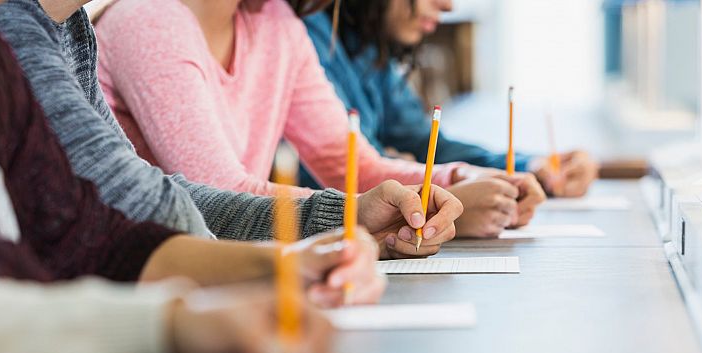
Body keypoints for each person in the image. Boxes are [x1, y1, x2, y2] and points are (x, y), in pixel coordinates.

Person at [0, 8, 331, 353]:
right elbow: (145, 208)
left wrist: (288, 264)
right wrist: (171, 327)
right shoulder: (18, 29)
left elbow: (92, 238)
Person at [0, 0, 463, 257]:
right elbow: (147, 209)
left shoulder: (67, 28)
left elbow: (155, 197)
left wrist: (356, 215)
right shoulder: (143, 20)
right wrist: (329, 233)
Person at [93, 0, 546, 238]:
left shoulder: (276, 22)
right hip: (163, 276)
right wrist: (396, 213)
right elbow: (219, 198)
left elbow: (352, 164)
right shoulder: (149, 20)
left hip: (238, 271)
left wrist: (462, 180)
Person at [304, 0, 600, 198]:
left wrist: (531, 168)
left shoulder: (366, 47)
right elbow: (343, 172)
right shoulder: (302, 30)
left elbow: (428, 146)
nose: (448, 5)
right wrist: (458, 188)